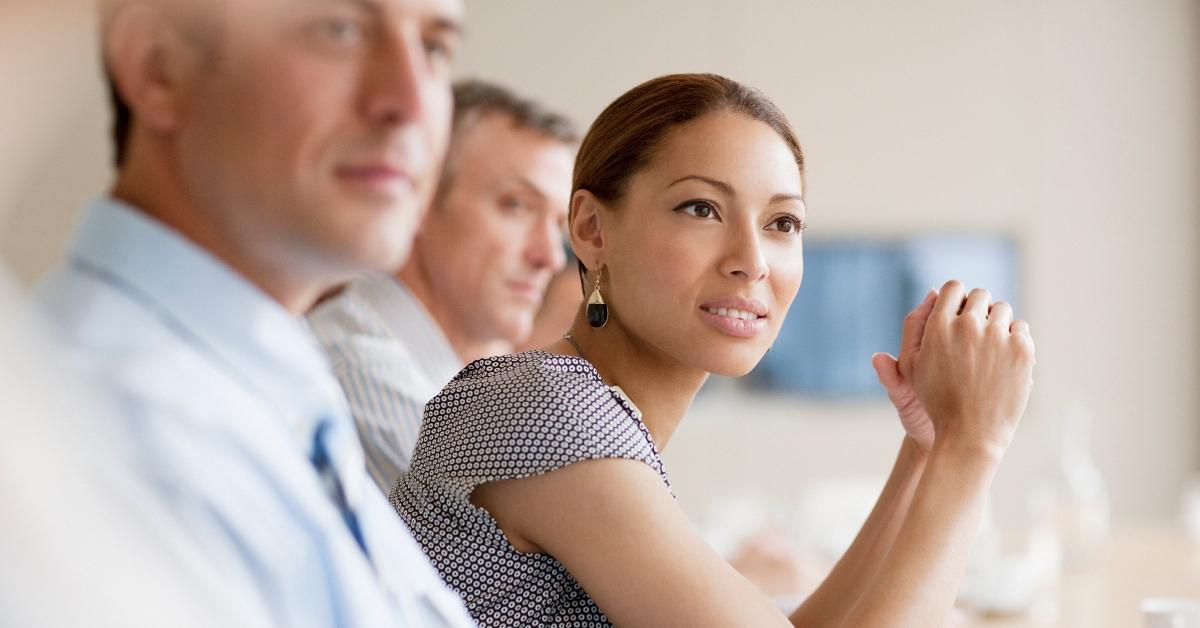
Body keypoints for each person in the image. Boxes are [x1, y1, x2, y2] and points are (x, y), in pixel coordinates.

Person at [392, 73, 1036, 627]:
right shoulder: (542, 405)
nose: (752, 262)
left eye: (782, 223)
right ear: (591, 230)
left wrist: (925, 449)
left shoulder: (580, 409)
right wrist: (972, 447)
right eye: (701, 209)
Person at [34, 0, 475, 626]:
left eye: (434, 47)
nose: (409, 100)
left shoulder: (274, 385)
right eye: (340, 29)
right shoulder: (106, 433)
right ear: (159, 67)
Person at [309, 80, 576, 493]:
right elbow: (540, 552)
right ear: (418, 200)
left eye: (558, 225)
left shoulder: (465, 381)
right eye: (517, 206)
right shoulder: (358, 367)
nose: (550, 258)